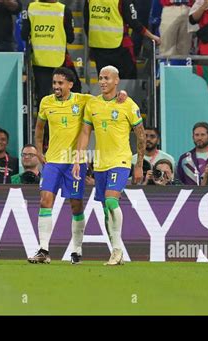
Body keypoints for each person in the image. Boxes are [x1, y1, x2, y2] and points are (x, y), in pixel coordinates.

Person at [27, 67, 128, 265]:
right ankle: (44, 250)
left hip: (75, 161)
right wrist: (39, 151)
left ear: (70, 84)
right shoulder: (46, 102)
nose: (56, 86)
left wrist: (123, 93)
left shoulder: (84, 100)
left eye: (60, 83)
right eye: (54, 83)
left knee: (75, 204)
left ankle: (76, 249)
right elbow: (39, 128)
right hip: (53, 161)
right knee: (45, 200)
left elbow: (108, 97)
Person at [72, 65, 146, 266]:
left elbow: (141, 134)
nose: (103, 82)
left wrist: (138, 164)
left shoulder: (128, 104)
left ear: (116, 81)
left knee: (112, 202)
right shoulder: (93, 104)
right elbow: (86, 133)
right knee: (106, 209)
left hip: (120, 161)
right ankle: (115, 250)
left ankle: (118, 250)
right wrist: (79, 158)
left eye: (107, 78)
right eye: (101, 78)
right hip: (100, 164)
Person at [21, 0, 81, 107]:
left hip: (38, 61)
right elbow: (71, 38)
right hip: (59, 60)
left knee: (42, 96)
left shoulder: (31, 8)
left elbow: (24, 34)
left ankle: (43, 123)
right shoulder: (63, 10)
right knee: (71, 89)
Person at [83, 0, 161, 79]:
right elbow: (134, 23)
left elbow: (86, 22)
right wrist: (152, 36)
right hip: (118, 46)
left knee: (105, 81)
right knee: (128, 78)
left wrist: (91, 43)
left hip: (98, 46)